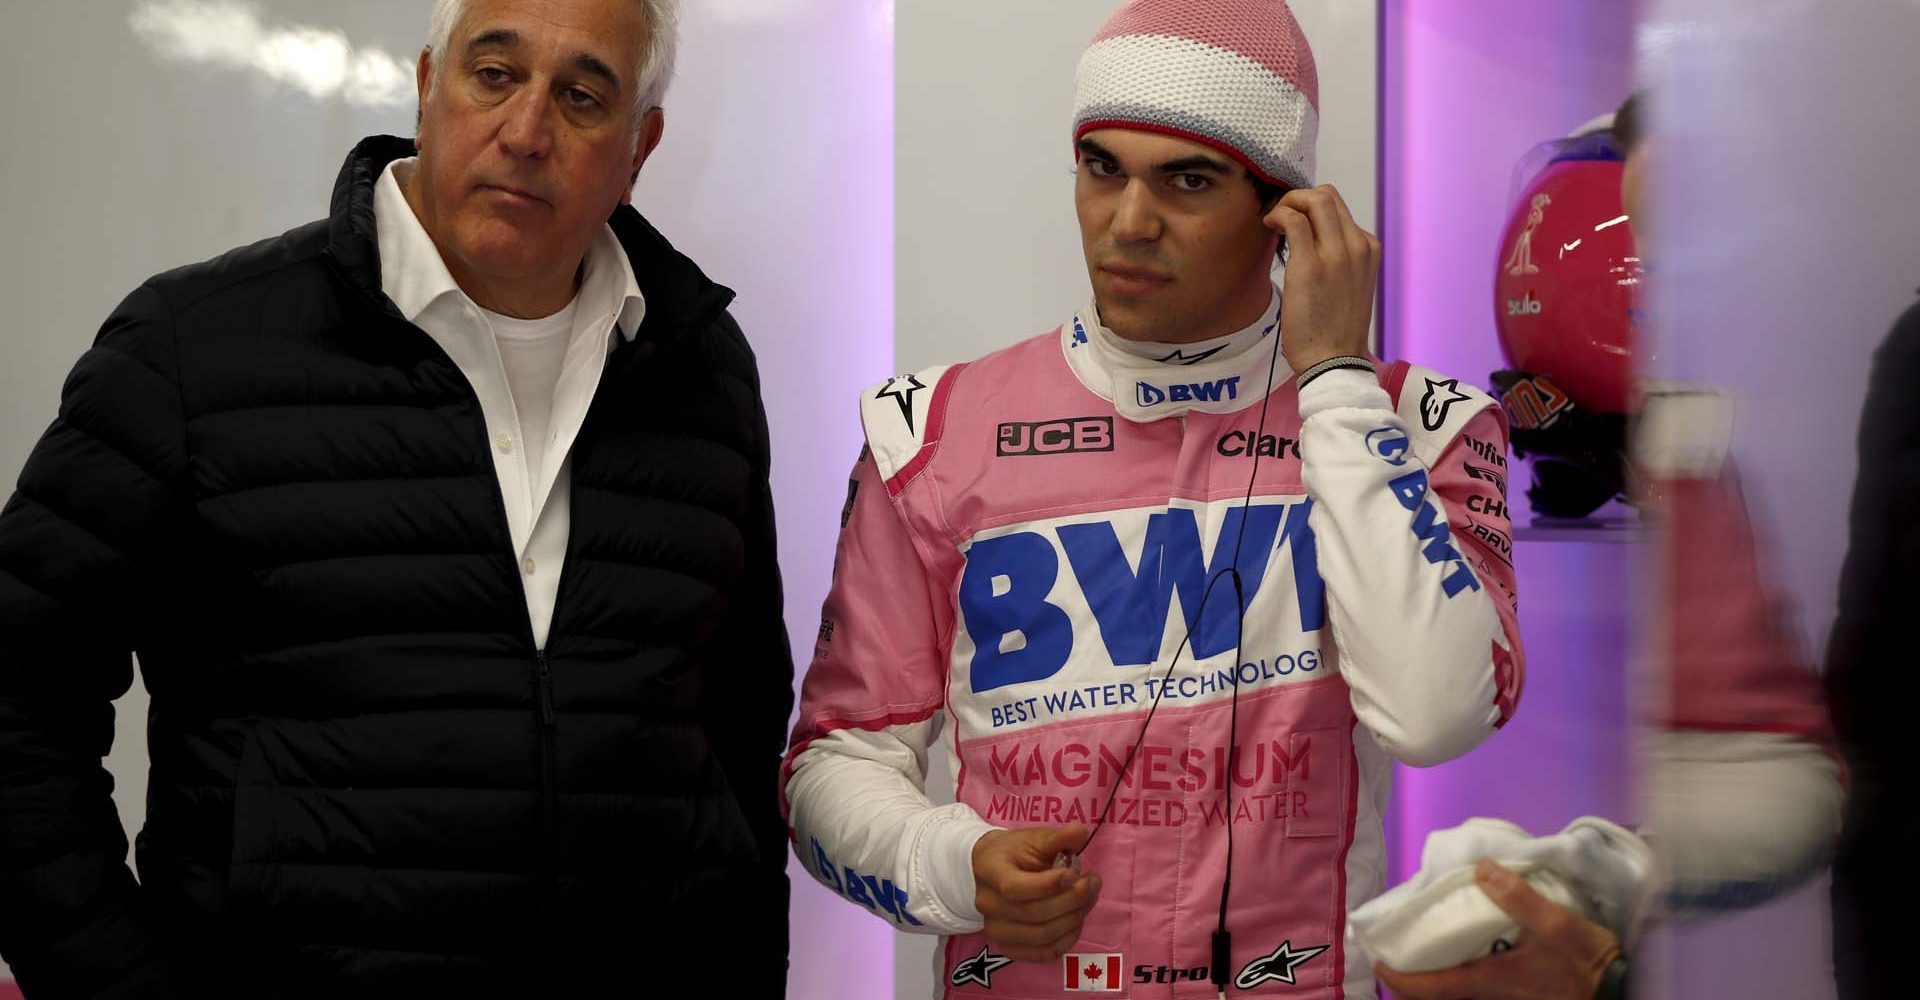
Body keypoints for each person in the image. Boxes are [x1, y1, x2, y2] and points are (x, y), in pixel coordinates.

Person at [0, 0, 792, 995]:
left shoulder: (698, 369)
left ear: (642, 145)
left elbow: (741, 733)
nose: (526, 131)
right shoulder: (191, 348)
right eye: (493, 74)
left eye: (583, 97)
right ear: (427, 84)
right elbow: (18, 697)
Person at [783, 1, 1526, 996]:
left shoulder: (1422, 424)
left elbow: (1440, 714)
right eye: (1103, 168)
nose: (1129, 222)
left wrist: (1339, 384)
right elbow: (834, 761)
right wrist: (950, 865)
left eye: (1187, 180)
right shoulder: (929, 433)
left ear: (1285, 215)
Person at [1377, 92, 1842, 1000]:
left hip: (1758, 769)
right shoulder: (1686, 420)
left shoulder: (1775, 395)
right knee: (1483, 858)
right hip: (1651, 753)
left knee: (1527, 876)